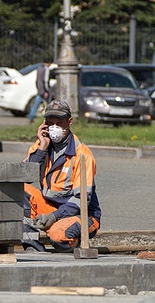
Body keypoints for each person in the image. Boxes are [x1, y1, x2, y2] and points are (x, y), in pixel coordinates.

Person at [22, 99, 101, 252]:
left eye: (59, 123)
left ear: (69, 122)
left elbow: (81, 199)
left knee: (59, 236)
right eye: (51, 123)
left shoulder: (82, 154)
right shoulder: (41, 146)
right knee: (20, 190)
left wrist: (54, 216)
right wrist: (42, 148)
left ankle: (70, 238)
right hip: (50, 208)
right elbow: (23, 176)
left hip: (81, 215)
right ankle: (33, 247)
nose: (54, 128)